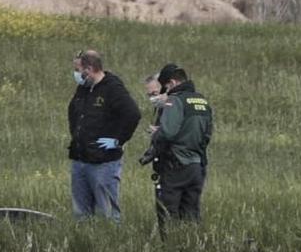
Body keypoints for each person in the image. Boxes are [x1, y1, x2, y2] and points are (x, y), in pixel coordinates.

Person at [66, 50, 140, 220]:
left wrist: (118, 140)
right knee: (81, 214)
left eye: (78, 70)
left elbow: (132, 114)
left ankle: (110, 240)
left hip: (103, 162)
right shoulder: (83, 89)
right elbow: (74, 112)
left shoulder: (112, 88)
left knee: (107, 214)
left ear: (89, 68)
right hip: (80, 158)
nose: (76, 74)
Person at [142, 63, 213, 228]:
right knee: (191, 216)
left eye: (163, 88)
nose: (162, 94)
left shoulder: (174, 100)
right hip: (197, 166)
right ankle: (191, 249)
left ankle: (171, 250)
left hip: (175, 165)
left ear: (172, 83)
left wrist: (156, 133)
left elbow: (168, 133)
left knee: (168, 216)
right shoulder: (202, 101)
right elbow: (207, 134)